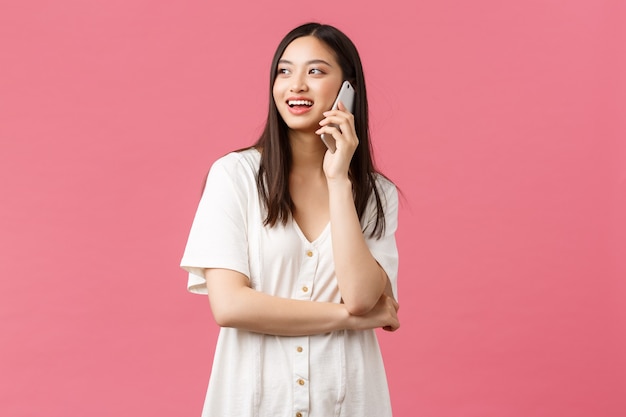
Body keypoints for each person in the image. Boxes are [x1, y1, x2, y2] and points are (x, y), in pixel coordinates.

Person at [181, 22, 400, 417]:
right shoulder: (235, 176)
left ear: (347, 90)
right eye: (284, 71)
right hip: (254, 403)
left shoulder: (376, 193)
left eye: (315, 71)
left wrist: (338, 180)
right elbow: (230, 306)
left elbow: (364, 297)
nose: (296, 85)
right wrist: (347, 320)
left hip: (349, 403)